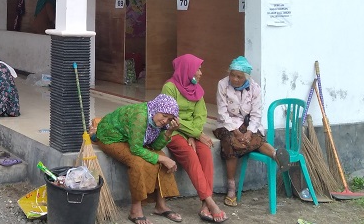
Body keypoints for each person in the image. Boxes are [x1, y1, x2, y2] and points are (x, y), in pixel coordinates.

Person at [215, 56, 290, 207]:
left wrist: (248, 132)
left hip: (247, 124)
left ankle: (277, 155)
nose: (235, 79)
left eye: (239, 76)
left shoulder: (255, 88)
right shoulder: (222, 84)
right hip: (227, 124)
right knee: (231, 143)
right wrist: (237, 133)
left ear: (246, 77)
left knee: (255, 137)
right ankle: (231, 189)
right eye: (232, 75)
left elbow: (256, 114)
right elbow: (222, 112)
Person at [94, 94, 182, 224]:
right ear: (156, 108)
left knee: (162, 156)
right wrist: (163, 160)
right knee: (138, 162)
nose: (165, 121)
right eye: (164, 115)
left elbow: (154, 145)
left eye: (169, 119)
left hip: (131, 140)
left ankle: (161, 206)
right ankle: (135, 210)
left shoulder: (158, 122)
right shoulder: (141, 116)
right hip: (110, 138)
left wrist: (169, 131)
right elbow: (135, 149)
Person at [161, 54, 228, 223]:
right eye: (197, 69)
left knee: (205, 152)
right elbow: (171, 117)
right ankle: (210, 202)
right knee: (190, 156)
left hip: (192, 132)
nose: (200, 73)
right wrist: (194, 134)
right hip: (173, 132)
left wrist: (193, 134)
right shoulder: (169, 88)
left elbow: (200, 116)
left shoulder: (197, 89)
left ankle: (205, 205)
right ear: (187, 69)